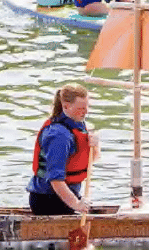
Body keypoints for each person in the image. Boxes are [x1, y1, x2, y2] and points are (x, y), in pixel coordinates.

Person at [27, 84, 98, 215]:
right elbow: (56, 179)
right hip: (48, 200)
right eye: (81, 108)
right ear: (66, 106)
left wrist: (95, 146)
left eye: (87, 106)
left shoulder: (76, 124)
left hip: (67, 196)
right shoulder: (59, 136)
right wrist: (76, 204)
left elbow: (88, 161)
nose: (86, 111)